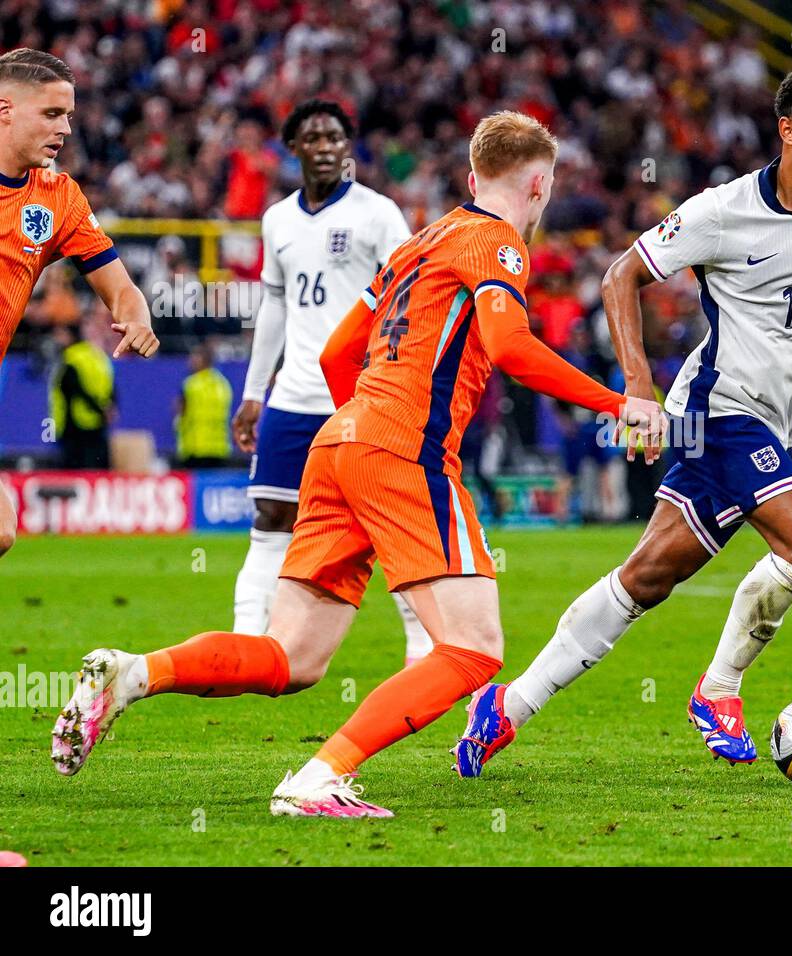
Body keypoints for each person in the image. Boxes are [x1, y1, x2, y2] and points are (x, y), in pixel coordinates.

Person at [51, 111, 656, 819]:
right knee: (474, 650)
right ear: (539, 183)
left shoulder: (419, 244)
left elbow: (339, 352)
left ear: (470, 178)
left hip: (339, 440)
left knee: (293, 658)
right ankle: (318, 776)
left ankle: (134, 672)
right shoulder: (496, 242)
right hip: (401, 450)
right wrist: (620, 403)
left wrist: (360, 433)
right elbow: (512, 347)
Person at [453, 63, 792, 776]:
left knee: (646, 579)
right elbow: (621, 276)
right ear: (786, 131)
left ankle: (505, 708)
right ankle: (718, 689)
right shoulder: (722, 211)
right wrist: (638, 386)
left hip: (770, 420)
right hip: (719, 410)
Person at [228, 100, 431, 666]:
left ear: (349, 147)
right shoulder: (278, 219)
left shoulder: (379, 214)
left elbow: (408, 300)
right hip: (293, 395)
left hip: (363, 394)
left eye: (335, 137)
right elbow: (273, 307)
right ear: (293, 148)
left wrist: (403, 376)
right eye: (313, 137)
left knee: (389, 521)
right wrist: (252, 393)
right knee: (271, 514)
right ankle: (249, 636)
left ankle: (421, 644)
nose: (325, 147)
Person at [0, 48, 158, 556]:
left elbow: (120, 288)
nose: (65, 128)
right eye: (51, 113)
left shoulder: (58, 198)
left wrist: (136, 317)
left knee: (2, 531)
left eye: (67, 114)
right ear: (5, 110)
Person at [50, 321, 114, 468]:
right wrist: (107, 408)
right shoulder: (101, 358)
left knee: (75, 466)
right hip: (97, 421)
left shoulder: (72, 356)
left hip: (75, 421)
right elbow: (110, 385)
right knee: (95, 465)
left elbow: (75, 388)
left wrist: (99, 409)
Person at [175, 343, 232, 468]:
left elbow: (180, 410)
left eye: (194, 358)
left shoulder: (191, 384)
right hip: (220, 447)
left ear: (203, 360)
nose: (190, 361)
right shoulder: (223, 384)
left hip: (195, 447)